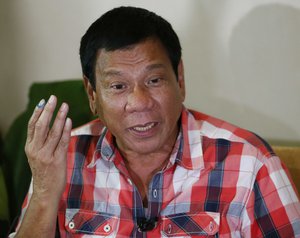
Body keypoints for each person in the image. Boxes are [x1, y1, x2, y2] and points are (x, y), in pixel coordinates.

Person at [10, 6, 300, 237]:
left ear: (180, 80)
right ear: (92, 94)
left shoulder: (251, 163)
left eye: (154, 80)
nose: (139, 102)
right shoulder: (63, 157)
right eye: (118, 86)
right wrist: (45, 193)